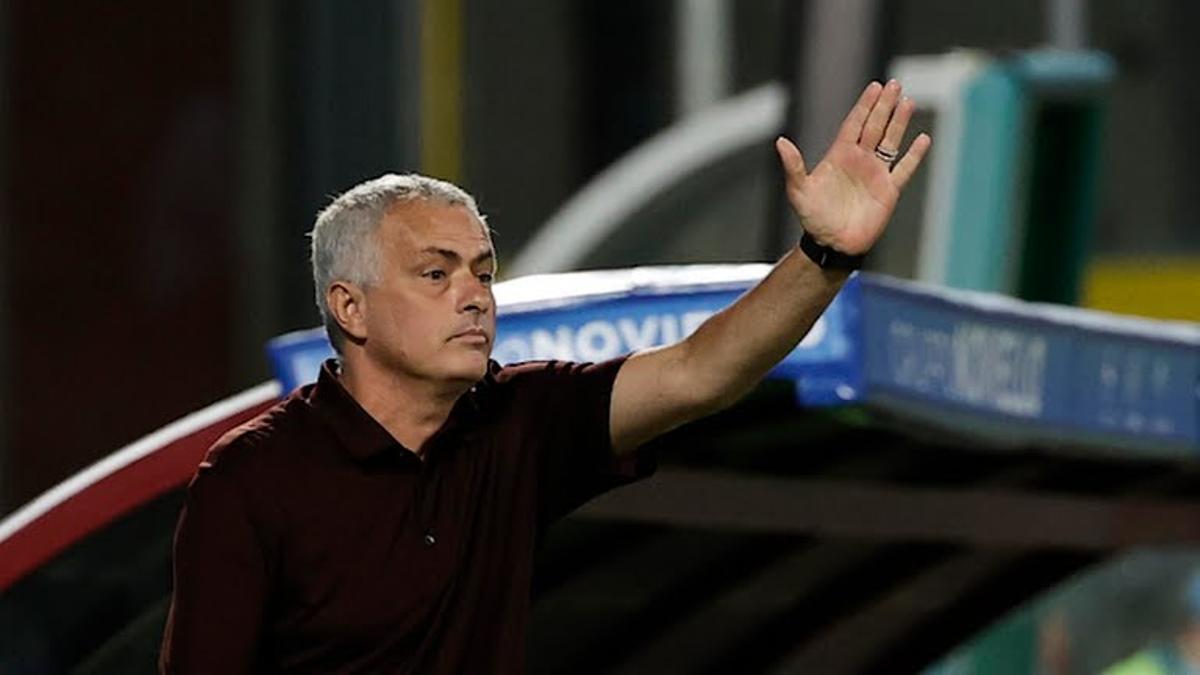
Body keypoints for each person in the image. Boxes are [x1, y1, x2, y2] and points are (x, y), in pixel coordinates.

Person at [159, 79, 929, 674]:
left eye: (483, 271)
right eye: (436, 273)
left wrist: (825, 255)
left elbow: (701, 372)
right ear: (350, 307)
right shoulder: (252, 478)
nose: (474, 295)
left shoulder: (518, 419)